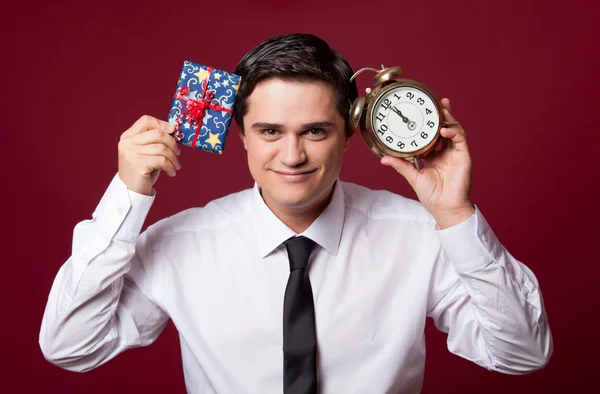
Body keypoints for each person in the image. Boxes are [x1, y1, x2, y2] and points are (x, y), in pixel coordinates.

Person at [39, 33, 552, 393]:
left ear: (351, 134)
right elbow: (70, 345)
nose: (291, 156)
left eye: (314, 131)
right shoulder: (182, 242)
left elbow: (521, 355)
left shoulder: (420, 235)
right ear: (240, 135)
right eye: (269, 132)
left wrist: (456, 214)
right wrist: (127, 197)